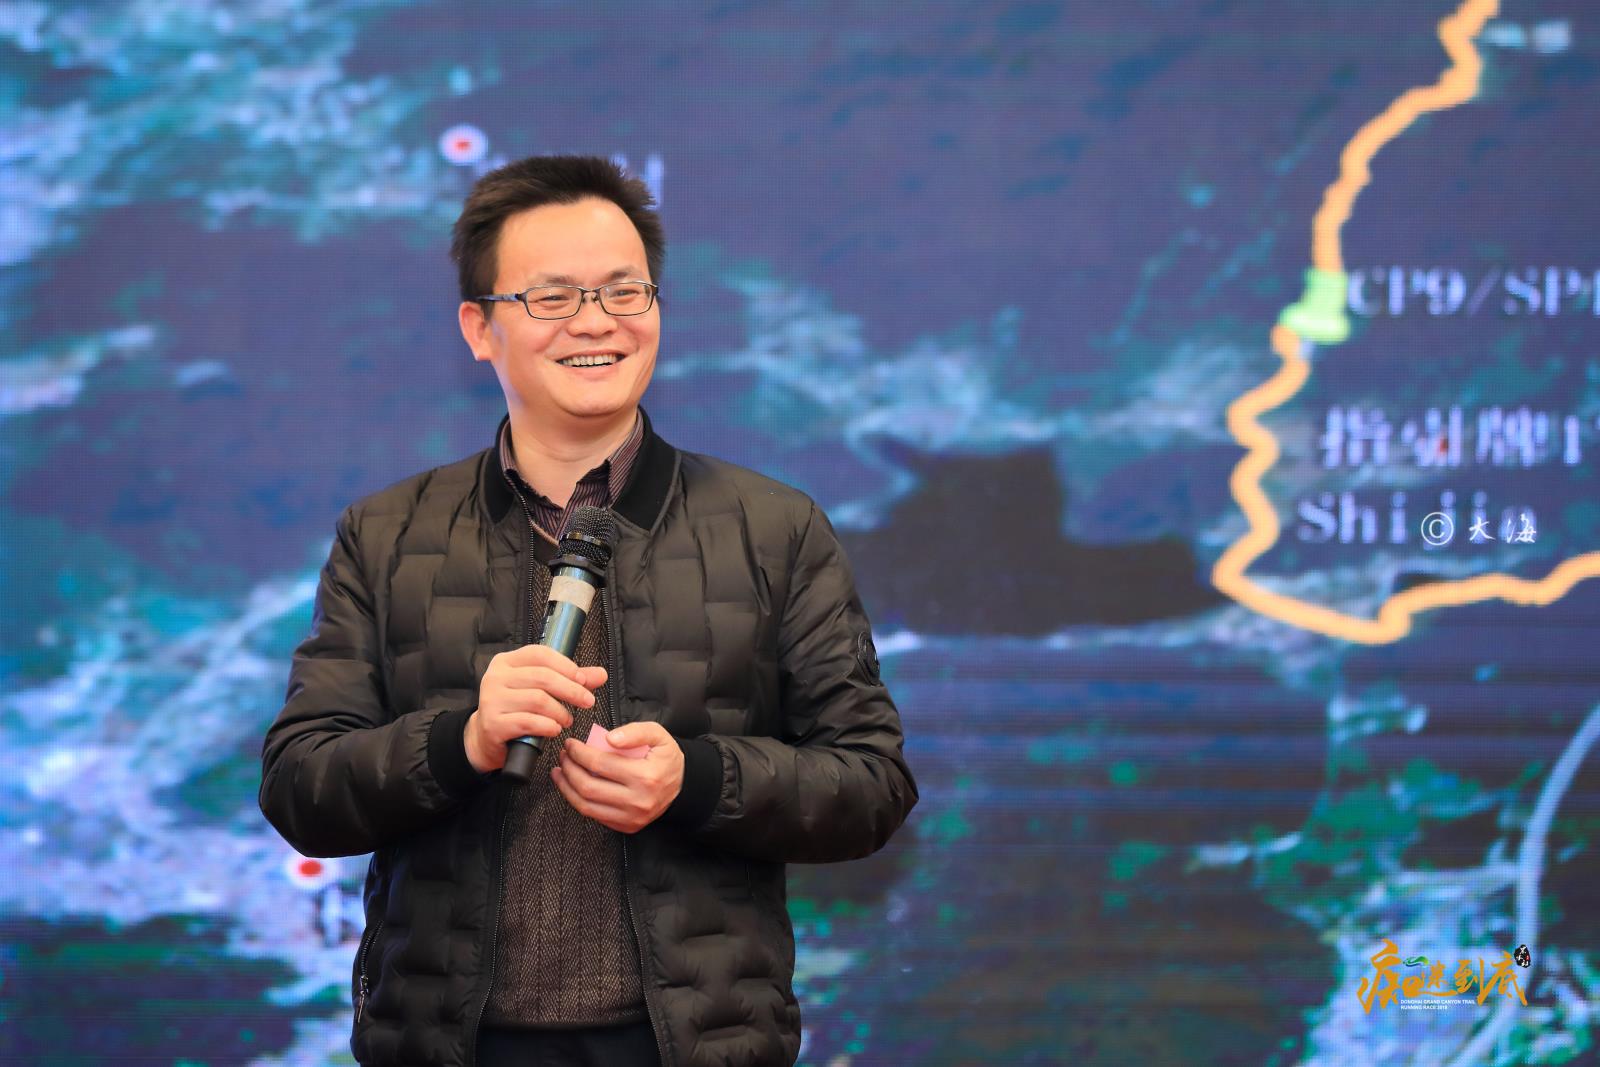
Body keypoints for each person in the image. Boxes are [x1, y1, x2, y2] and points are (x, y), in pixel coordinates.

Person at [259, 154, 918, 1067]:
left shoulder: (774, 529)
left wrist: (696, 780)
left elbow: (872, 785)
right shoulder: (387, 533)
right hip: (450, 1042)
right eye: (553, 297)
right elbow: (301, 786)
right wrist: (463, 741)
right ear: (479, 328)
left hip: (693, 1043)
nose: (597, 321)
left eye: (623, 291)